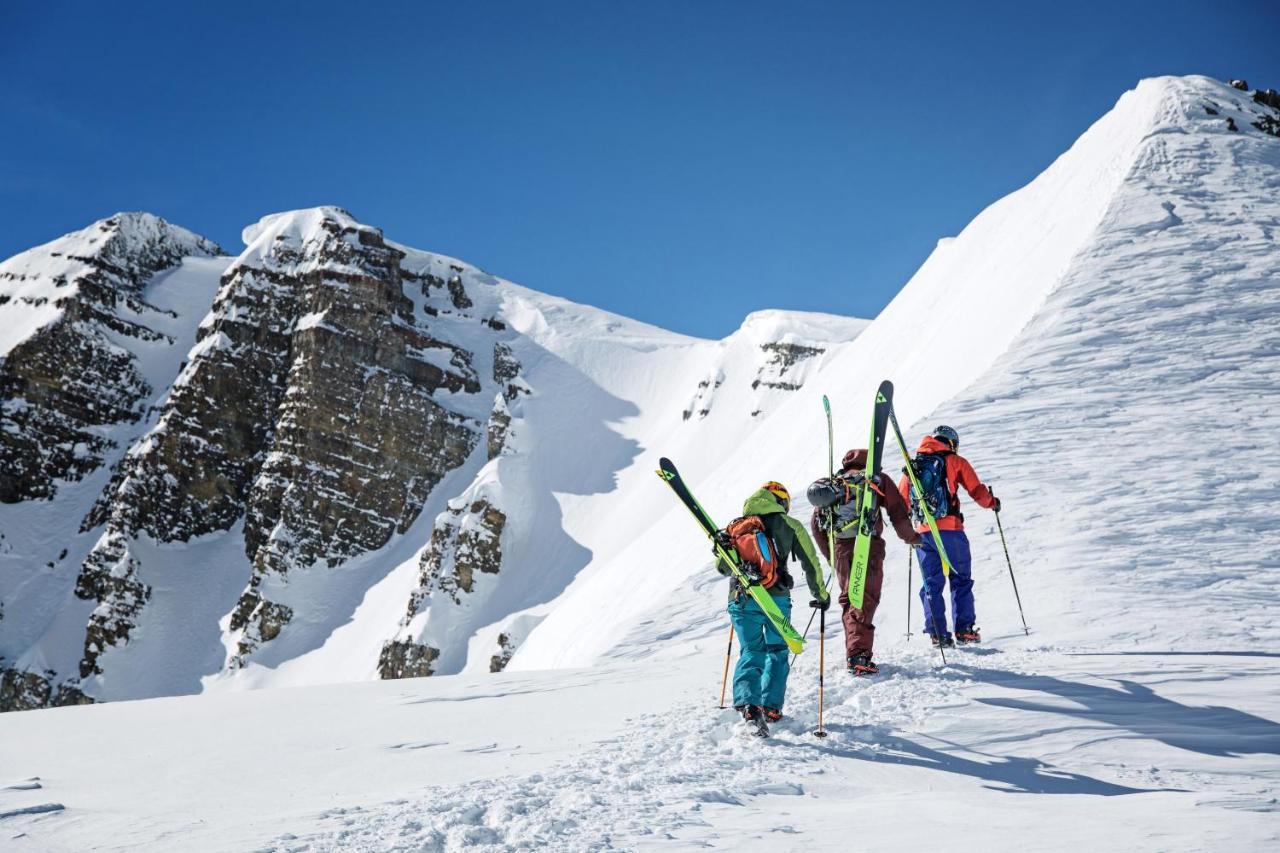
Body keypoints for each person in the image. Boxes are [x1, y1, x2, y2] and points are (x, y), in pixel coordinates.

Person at [715, 481, 828, 727]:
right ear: (781, 501)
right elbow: (811, 562)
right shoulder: (789, 525)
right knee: (777, 651)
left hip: (742, 599)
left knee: (752, 651)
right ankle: (770, 707)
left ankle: (748, 703)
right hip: (776, 599)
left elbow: (722, 568)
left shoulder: (736, 527)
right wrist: (820, 594)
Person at [808, 450, 921, 676]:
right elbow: (898, 512)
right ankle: (858, 655)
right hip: (867, 546)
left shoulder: (833, 486)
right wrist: (912, 538)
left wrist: (832, 556)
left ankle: (855, 652)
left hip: (841, 548)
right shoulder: (875, 479)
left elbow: (816, 525)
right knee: (865, 598)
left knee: (850, 599)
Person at [897, 425, 1000, 646]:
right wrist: (993, 502)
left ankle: (937, 633)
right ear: (951, 443)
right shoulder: (954, 461)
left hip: (923, 532)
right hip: (951, 530)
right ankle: (964, 630)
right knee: (960, 578)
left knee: (931, 583)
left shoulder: (913, 467)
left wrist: (908, 528)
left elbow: (901, 501)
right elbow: (977, 491)